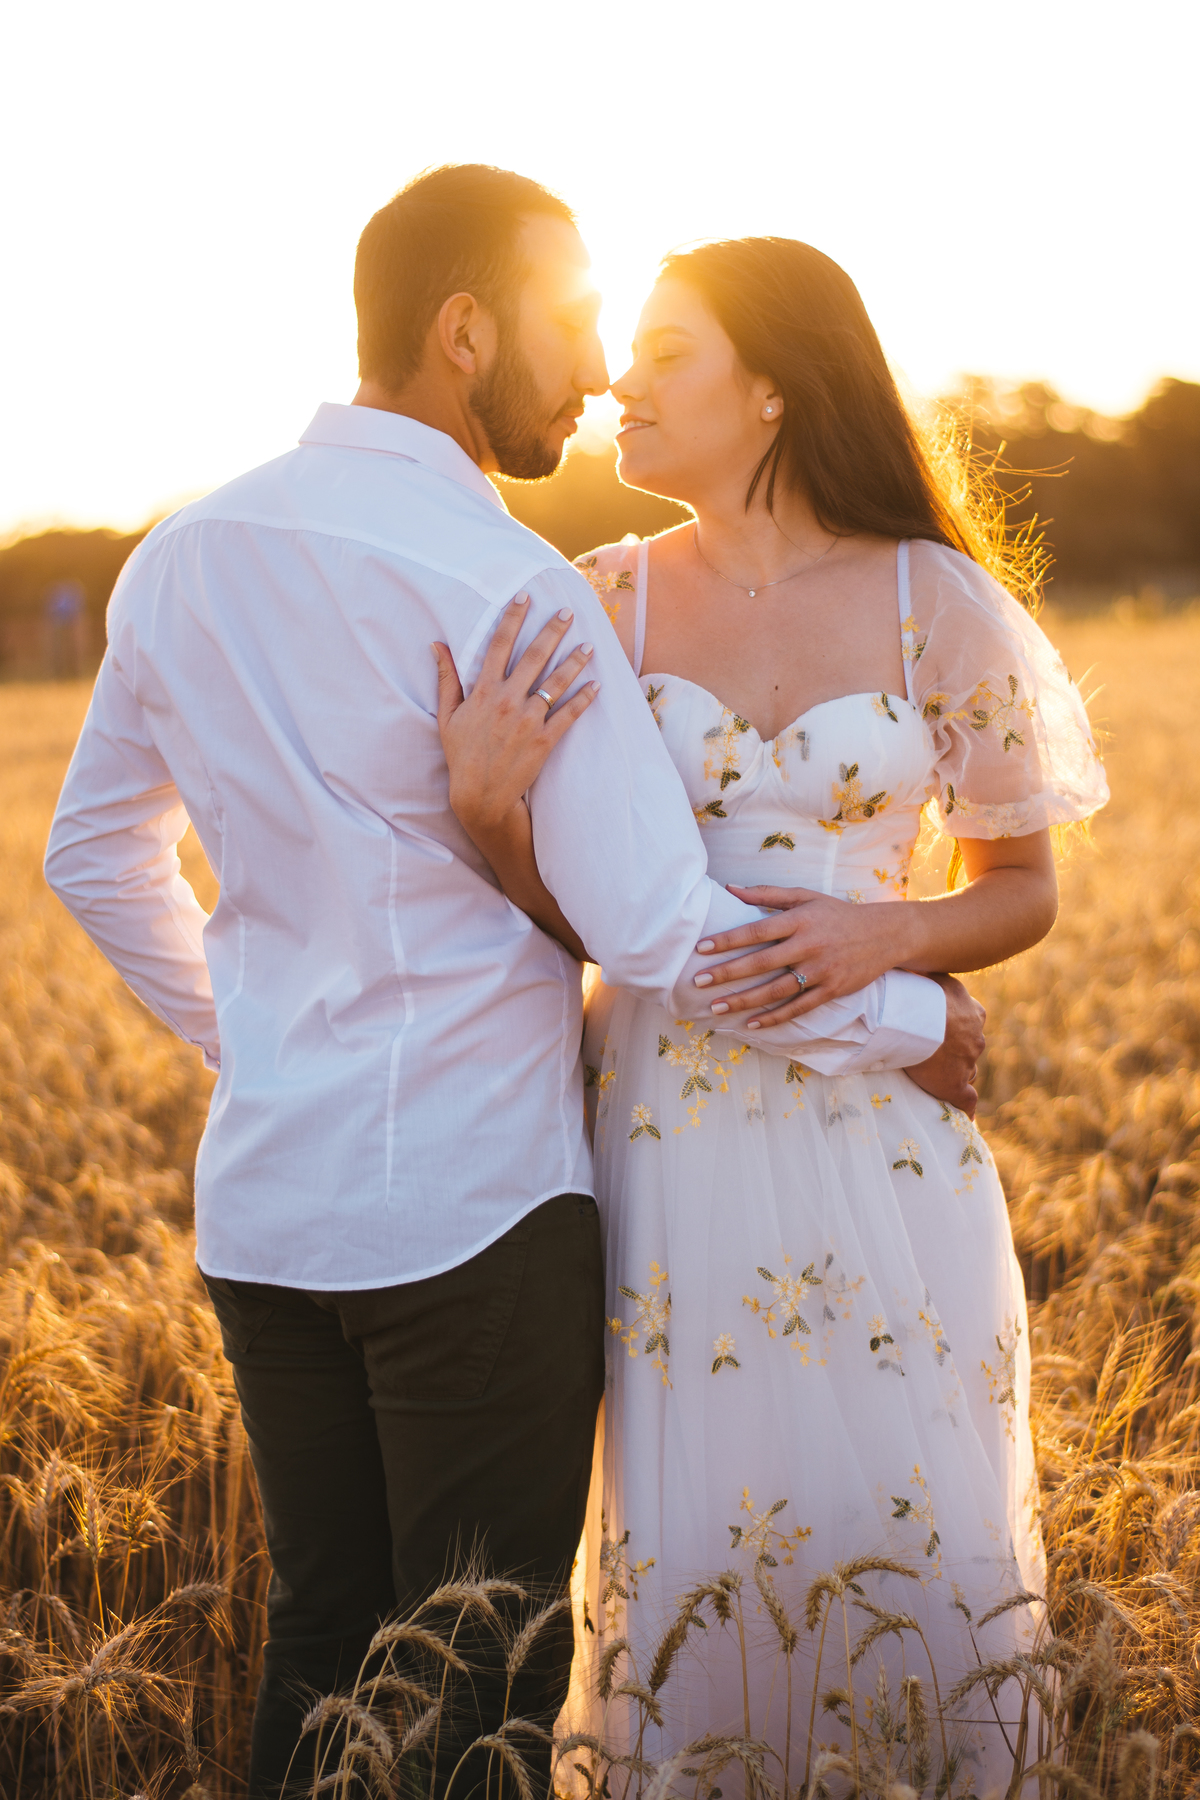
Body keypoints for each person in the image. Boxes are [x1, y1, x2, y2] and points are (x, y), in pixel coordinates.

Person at [43, 171, 972, 1799]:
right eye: (573, 320)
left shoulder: (182, 557)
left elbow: (94, 857)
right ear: (464, 330)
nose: (596, 361)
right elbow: (669, 931)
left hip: (265, 1214)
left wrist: (250, 1039)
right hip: (472, 1218)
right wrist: (913, 1018)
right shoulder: (511, 587)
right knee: (476, 1688)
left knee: (324, 1651)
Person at [432, 236, 1109, 1790]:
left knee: (913, 1522)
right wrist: (488, 821)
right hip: (665, 1124)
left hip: (885, 1135)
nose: (617, 378)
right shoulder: (598, 605)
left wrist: (893, 937)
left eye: (664, 352)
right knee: (694, 1533)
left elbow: (1022, 886)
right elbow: (564, 904)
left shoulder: (938, 601)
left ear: (774, 388)